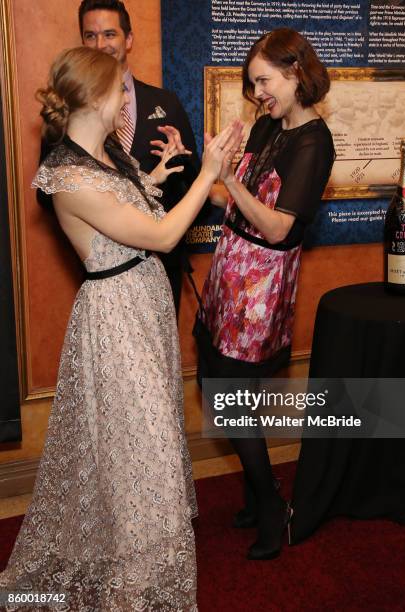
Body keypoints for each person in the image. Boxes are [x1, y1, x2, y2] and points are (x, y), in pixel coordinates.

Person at [0, 46, 241, 610]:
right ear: (99, 99)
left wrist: (161, 173)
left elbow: (134, 212)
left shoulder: (103, 155)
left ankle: (138, 566)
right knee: (142, 448)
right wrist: (208, 173)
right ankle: (134, 585)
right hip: (117, 318)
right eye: (119, 90)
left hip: (143, 305)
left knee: (140, 439)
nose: (125, 99)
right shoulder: (65, 174)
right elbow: (158, 237)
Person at [194, 28, 335, 560]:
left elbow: (278, 228)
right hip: (229, 274)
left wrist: (230, 182)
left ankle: (272, 510)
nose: (258, 93)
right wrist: (198, 168)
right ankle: (260, 495)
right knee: (216, 386)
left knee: (232, 401)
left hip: (260, 287)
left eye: (265, 81)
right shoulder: (266, 125)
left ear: (296, 73)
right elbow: (224, 195)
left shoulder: (314, 141)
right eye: (252, 83)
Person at [79, 0, 202, 314]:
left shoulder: (166, 102)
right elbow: (49, 192)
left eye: (109, 34)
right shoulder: (72, 108)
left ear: (128, 40)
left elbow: (192, 179)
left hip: (163, 262)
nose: (100, 44)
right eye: (90, 35)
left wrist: (182, 161)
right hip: (108, 272)